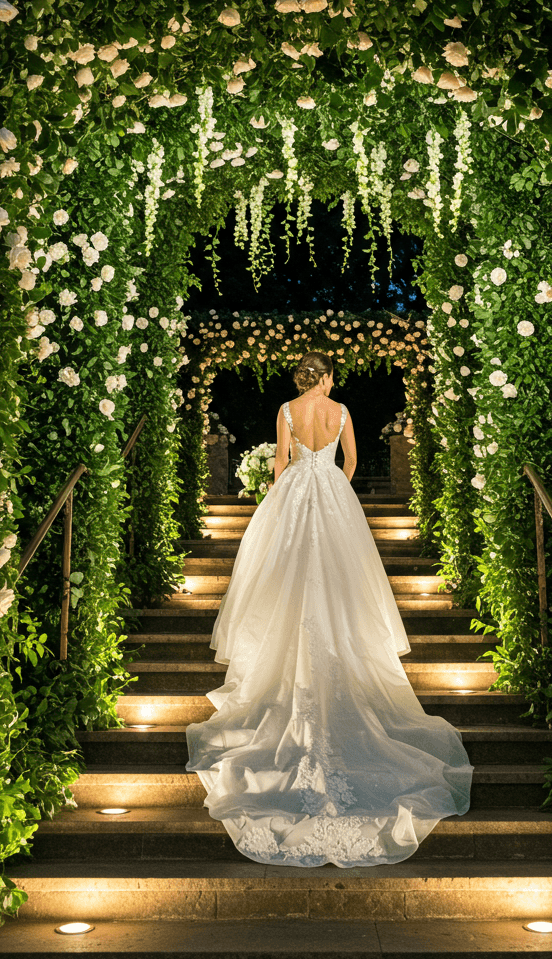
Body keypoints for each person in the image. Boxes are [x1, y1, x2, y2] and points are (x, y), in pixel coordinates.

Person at [185, 350, 473, 866]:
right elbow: (354, 461)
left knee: (286, 568)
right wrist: (338, 483)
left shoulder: (287, 410)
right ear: (330, 378)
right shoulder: (340, 411)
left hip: (294, 493)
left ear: (301, 379)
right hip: (334, 494)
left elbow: (280, 462)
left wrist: (277, 495)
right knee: (343, 575)